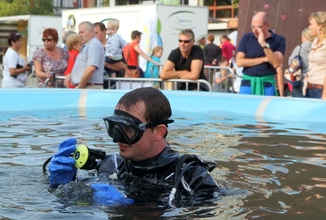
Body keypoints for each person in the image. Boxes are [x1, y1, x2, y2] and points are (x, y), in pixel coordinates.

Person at [46, 87, 219, 205]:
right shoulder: (109, 165)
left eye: (127, 130)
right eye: (114, 128)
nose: (117, 139)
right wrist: (60, 185)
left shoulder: (190, 177)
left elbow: (204, 217)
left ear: (159, 132)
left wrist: (131, 207)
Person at [235, 12, 286, 96]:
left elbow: (276, 63)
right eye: (252, 26)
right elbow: (239, 62)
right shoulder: (247, 37)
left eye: (258, 27)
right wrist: (264, 59)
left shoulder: (279, 39)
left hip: (267, 84)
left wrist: (263, 44)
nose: (255, 30)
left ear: (267, 25)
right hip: (248, 83)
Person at [71, 22, 105, 89]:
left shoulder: (94, 44)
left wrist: (79, 87)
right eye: (79, 33)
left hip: (89, 88)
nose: (80, 35)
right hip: (87, 87)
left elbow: (91, 68)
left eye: (82, 32)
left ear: (91, 32)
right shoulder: (89, 45)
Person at [303, 11, 326, 99]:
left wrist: (324, 96)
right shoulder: (315, 42)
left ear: (320, 26)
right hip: (309, 87)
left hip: (321, 89)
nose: (309, 27)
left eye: (311, 24)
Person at [287, 28, 313, 97]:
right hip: (312, 82)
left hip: (299, 81)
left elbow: (290, 63)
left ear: (305, 36)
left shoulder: (299, 48)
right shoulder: (316, 48)